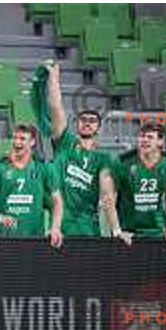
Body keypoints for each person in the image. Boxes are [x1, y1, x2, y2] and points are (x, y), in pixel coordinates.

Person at [46, 63, 122, 240]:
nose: (87, 122)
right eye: (83, 119)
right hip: (60, 229)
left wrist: (116, 231)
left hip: (88, 230)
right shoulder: (65, 143)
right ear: (77, 124)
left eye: (92, 121)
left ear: (98, 128)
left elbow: (107, 195)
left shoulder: (103, 159)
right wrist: (54, 78)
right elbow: (56, 107)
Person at [107, 123, 166, 251]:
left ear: (160, 142)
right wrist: (117, 231)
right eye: (141, 136)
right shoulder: (122, 162)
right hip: (128, 234)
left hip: (156, 233)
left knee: (154, 271)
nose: (144, 140)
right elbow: (109, 199)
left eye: (150, 137)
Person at [0, 123, 64, 248]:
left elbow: (57, 201)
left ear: (32, 142)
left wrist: (55, 228)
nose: (17, 142)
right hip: (3, 239)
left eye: (22, 139)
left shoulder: (44, 168)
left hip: (34, 239)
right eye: (15, 138)